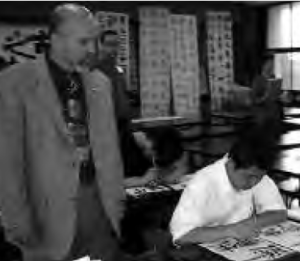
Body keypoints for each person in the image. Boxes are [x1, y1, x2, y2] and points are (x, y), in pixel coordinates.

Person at [0, 4, 125, 261]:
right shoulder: (15, 82)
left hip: (100, 206)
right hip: (44, 211)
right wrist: (15, 220)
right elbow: (7, 159)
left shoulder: (100, 84)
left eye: (94, 41)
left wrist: (117, 199)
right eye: (83, 41)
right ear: (55, 39)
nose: (91, 49)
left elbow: (110, 149)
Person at [170, 130, 287, 245]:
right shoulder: (202, 183)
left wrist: (249, 223)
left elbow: (279, 213)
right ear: (231, 164)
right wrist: (231, 230)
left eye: (259, 177)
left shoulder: (254, 172)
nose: (253, 183)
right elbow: (181, 235)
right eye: (249, 177)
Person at [124, 126, 189, 188]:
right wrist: (143, 180)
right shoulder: (121, 144)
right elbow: (116, 183)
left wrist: (174, 173)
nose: (153, 158)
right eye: (155, 155)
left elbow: (181, 163)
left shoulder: (168, 142)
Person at [251, 54, 283, 131]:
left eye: (273, 65)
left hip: (276, 114)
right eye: (269, 64)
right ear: (263, 65)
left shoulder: (276, 80)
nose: (271, 67)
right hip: (263, 115)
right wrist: (266, 96)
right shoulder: (258, 80)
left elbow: (279, 98)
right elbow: (255, 101)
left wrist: (283, 97)